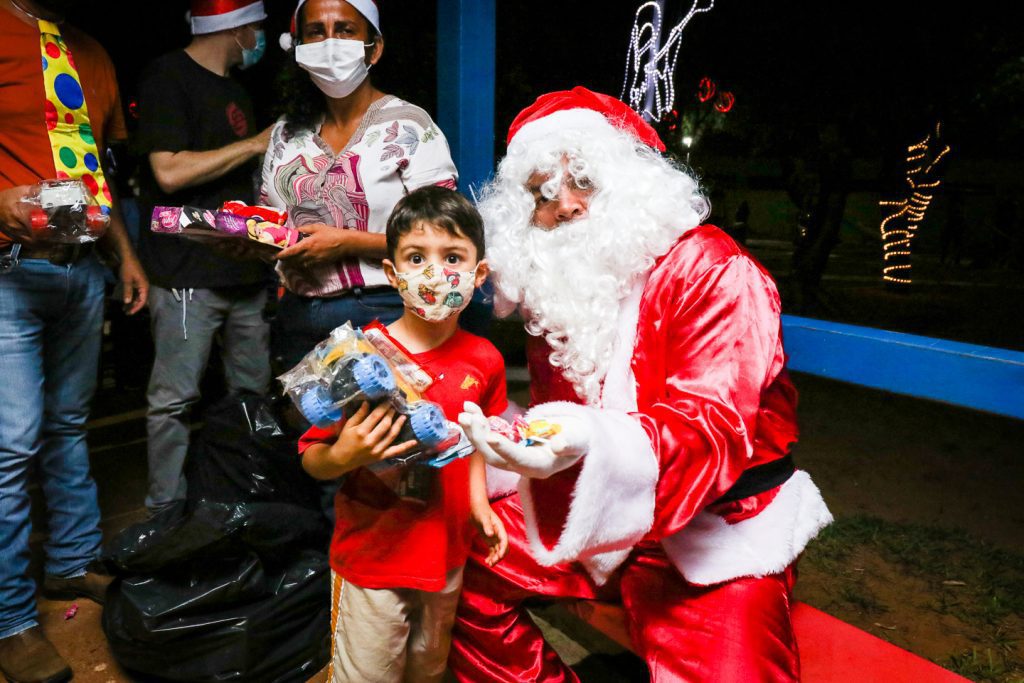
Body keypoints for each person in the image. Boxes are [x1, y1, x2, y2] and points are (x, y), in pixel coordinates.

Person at [451, 87, 834, 682]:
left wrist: (585, 440)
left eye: (583, 180)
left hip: (715, 529)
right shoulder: (561, 286)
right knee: (456, 573)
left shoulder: (712, 268)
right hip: (594, 520)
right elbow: (559, 420)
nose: (567, 206)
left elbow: (711, 429)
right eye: (542, 194)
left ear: (630, 181)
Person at [299, 186, 508, 682]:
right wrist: (344, 455)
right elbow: (310, 456)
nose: (434, 273)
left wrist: (478, 503)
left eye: (452, 257)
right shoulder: (360, 357)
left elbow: (477, 438)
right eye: (416, 258)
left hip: (447, 555)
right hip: (373, 560)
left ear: (479, 273)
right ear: (393, 274)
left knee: (429, 668)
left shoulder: (486, 359)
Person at [0, 0, 149, 680]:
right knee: (12, 445)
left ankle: (70, 562)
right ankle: (9, 618)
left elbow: (93, 167)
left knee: (66, 425)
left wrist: (125, 253)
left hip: (83, 268)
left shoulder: (91, 51)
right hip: (9, 272)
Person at [262, 0, 458, 371]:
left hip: (385, 314)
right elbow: (273, 224)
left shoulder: (409, 126)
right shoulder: (286, 133)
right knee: (304, 412)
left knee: (384, 411)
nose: (330, 42)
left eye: (345, 30)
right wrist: (249, 242)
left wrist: (348, 243)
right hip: (298, 318)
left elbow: (446, 236)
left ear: (375, 47)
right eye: (316, 32)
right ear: (298, 48)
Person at [135, 0, 276, 513]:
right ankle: (164, 514)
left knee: (253, 397)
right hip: (184, 275)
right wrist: (255, 144)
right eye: (256, 27)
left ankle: (248, 503)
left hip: (244, 273)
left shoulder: (237, 90)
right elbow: (168, 171)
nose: (260, 37)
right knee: (173, 401)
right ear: (235, 27)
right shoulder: (167, 77)